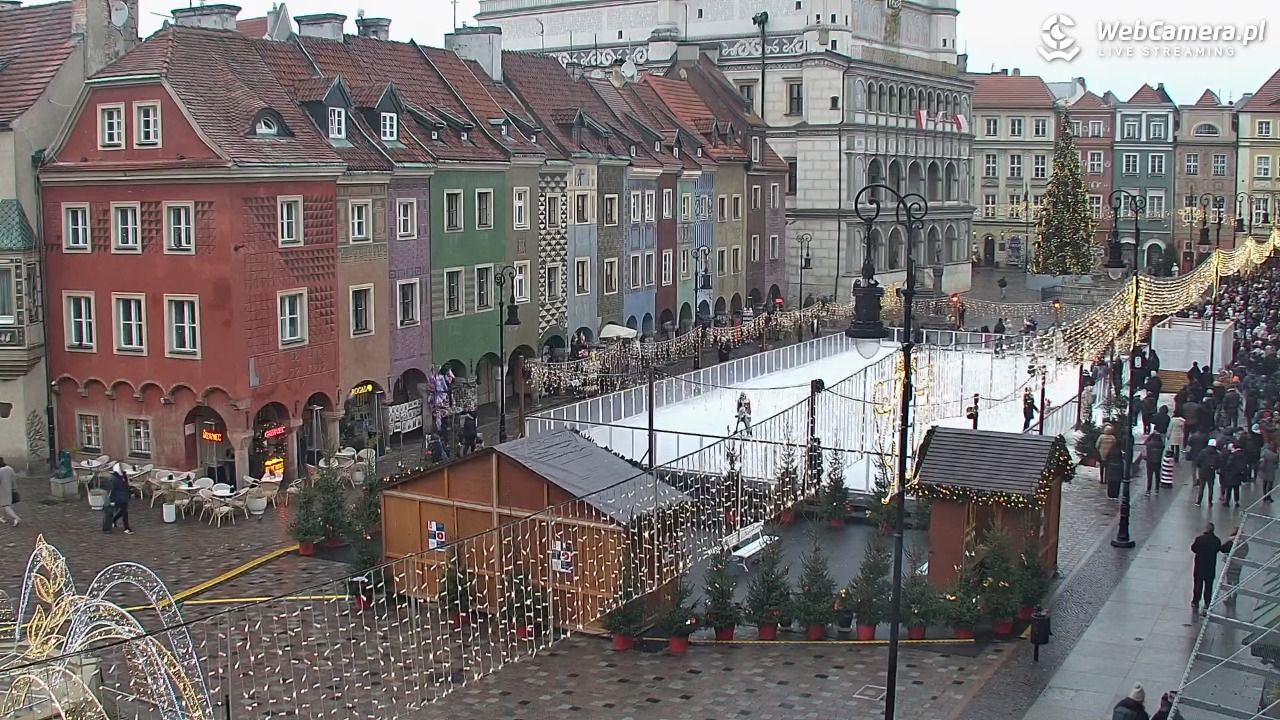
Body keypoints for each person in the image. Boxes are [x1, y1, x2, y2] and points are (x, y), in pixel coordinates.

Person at [1191, 523, 1223, 612]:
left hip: (1199, 566)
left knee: (1198, 584)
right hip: (1210, 566)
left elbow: (1194, 548)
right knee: (1208, 586)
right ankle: (1207, 602)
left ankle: (1196, 601)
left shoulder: (1199, 539)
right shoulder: (1216, 540)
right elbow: (1217, 549)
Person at [1221, 527, 1249, 609]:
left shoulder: (1232, 542)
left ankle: (1228, 596)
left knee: (1229, 580)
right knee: (1236, 579)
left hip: (1231, 564)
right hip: (1239, 564)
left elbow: (1222, 548)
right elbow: (1246, 552)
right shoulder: (1244, 543)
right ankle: (1234, 595)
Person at [104, 463, 133, 534]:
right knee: (125, 513)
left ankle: (114, 520)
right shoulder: (114, 479)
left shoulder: (123, 475)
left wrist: (129, 493)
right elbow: (113, 490)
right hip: (119, 497)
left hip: (124, 496)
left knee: (123, 511)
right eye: (120, 468)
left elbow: (126, 485)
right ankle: (126, 528)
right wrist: (112, 500)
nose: (122, 469)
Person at [1195, 438, 1221, 507]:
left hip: (1203, 471)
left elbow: (1198, 462)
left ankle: (1198, 501)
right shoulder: (1217, 454)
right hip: (1211, 472)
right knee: (1210, 488)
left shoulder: (1203, 452)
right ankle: (1210, 501)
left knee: (1201, 487)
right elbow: (1218, 464)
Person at [1144, 430, 1166, 495]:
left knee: (1149, 477)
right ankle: (1157, 490)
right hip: (1157, 462)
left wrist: (1151, 434)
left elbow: (1145, 442)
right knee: (1157, 476)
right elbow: (1163, 444)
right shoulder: (1161, 445)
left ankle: (1148, 490)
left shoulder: (1150, 445)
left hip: (1150, 462)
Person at [0, 457, 19, 526]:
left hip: (2, 491)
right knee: (4, 505)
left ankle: (16, 517)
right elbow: (14, 479)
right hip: (10, 489)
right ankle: (2, 517)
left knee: (6, 506)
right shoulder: (10, 468)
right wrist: (14, 488)